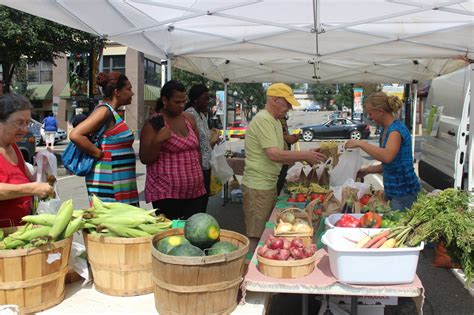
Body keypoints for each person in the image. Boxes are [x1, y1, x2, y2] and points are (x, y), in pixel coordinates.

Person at [242, 83, 326, 249]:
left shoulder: (273, 120)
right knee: (255, 234)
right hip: (258, 185)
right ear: (275, 100)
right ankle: (248, 271)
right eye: (287, 103)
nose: (289, 108)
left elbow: (280, 155)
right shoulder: (264, 120)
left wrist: (307, 155)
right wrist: (305, 155)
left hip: (267, 184)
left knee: (263, 231)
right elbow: (274, 154)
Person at [140, 80, 207, 220]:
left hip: (195, 191)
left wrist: (199, 177)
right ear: (165, 100)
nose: (182, 105)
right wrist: (159, 139)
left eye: (184, 101)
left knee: (195, 234)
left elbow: (197, 151)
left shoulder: (189, 119)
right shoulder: (154, 123)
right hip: (167, 195)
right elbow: (145, 158)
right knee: (172, 237)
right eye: (177, 102)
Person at [69, 72, 139, 206]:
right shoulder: (104, 111)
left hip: (118, 180)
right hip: (108, 181)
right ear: (117, 92)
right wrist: (98, 153)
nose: (132, 93)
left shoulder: (111, 112)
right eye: (129, 89)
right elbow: (75, 135)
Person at [345, 92, 420, 211]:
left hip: (403, 192)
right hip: (393, 191)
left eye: (370, 113)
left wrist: (361, 143)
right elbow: (393, 164)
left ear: (380, 111)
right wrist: (367, 171)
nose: (369, 117)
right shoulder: (386, 129)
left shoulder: (395, 130)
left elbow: (387, 157)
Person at [0, 93, 54, 227]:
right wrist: (32, 188)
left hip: (20, 229)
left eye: (27, 123)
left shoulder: (14, 147)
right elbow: (29, 187)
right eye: (19, 123)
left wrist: (42, 167)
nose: (24, 130)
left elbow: (27, 179)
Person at [185, 84, 219, 210]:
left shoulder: (202, 115)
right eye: (205, 98)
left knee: (204, 201)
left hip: (206, 165)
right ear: (195, 99)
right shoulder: (189, 114)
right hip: (196, 166)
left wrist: (214, 139)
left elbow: (204, 141)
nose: (208, 102)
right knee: (197, 203)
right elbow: (192, 142)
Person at [276, 115, 300, 195]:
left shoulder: (281, 118)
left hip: (284, 151)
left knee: (282, 177)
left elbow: (284, 133)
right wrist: (288, 138)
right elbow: (279, 135)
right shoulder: (273, 119)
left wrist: (290, 137)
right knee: (279, 179)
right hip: (280, 154)